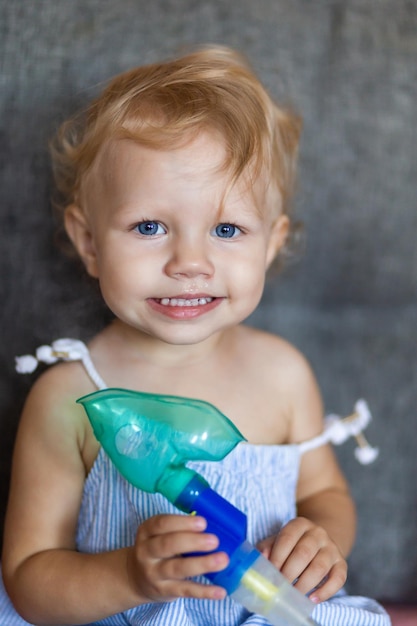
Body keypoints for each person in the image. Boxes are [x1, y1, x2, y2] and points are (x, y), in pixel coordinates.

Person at [0, 46, 389, 625]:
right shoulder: (69, 398)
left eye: (227, 228)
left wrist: (321, 539)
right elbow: (30, 577)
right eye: (150, 226)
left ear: (271, 243)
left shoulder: (282, 375)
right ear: (88, 242)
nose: (190, 262)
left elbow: (325, 495)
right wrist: (128, 575)